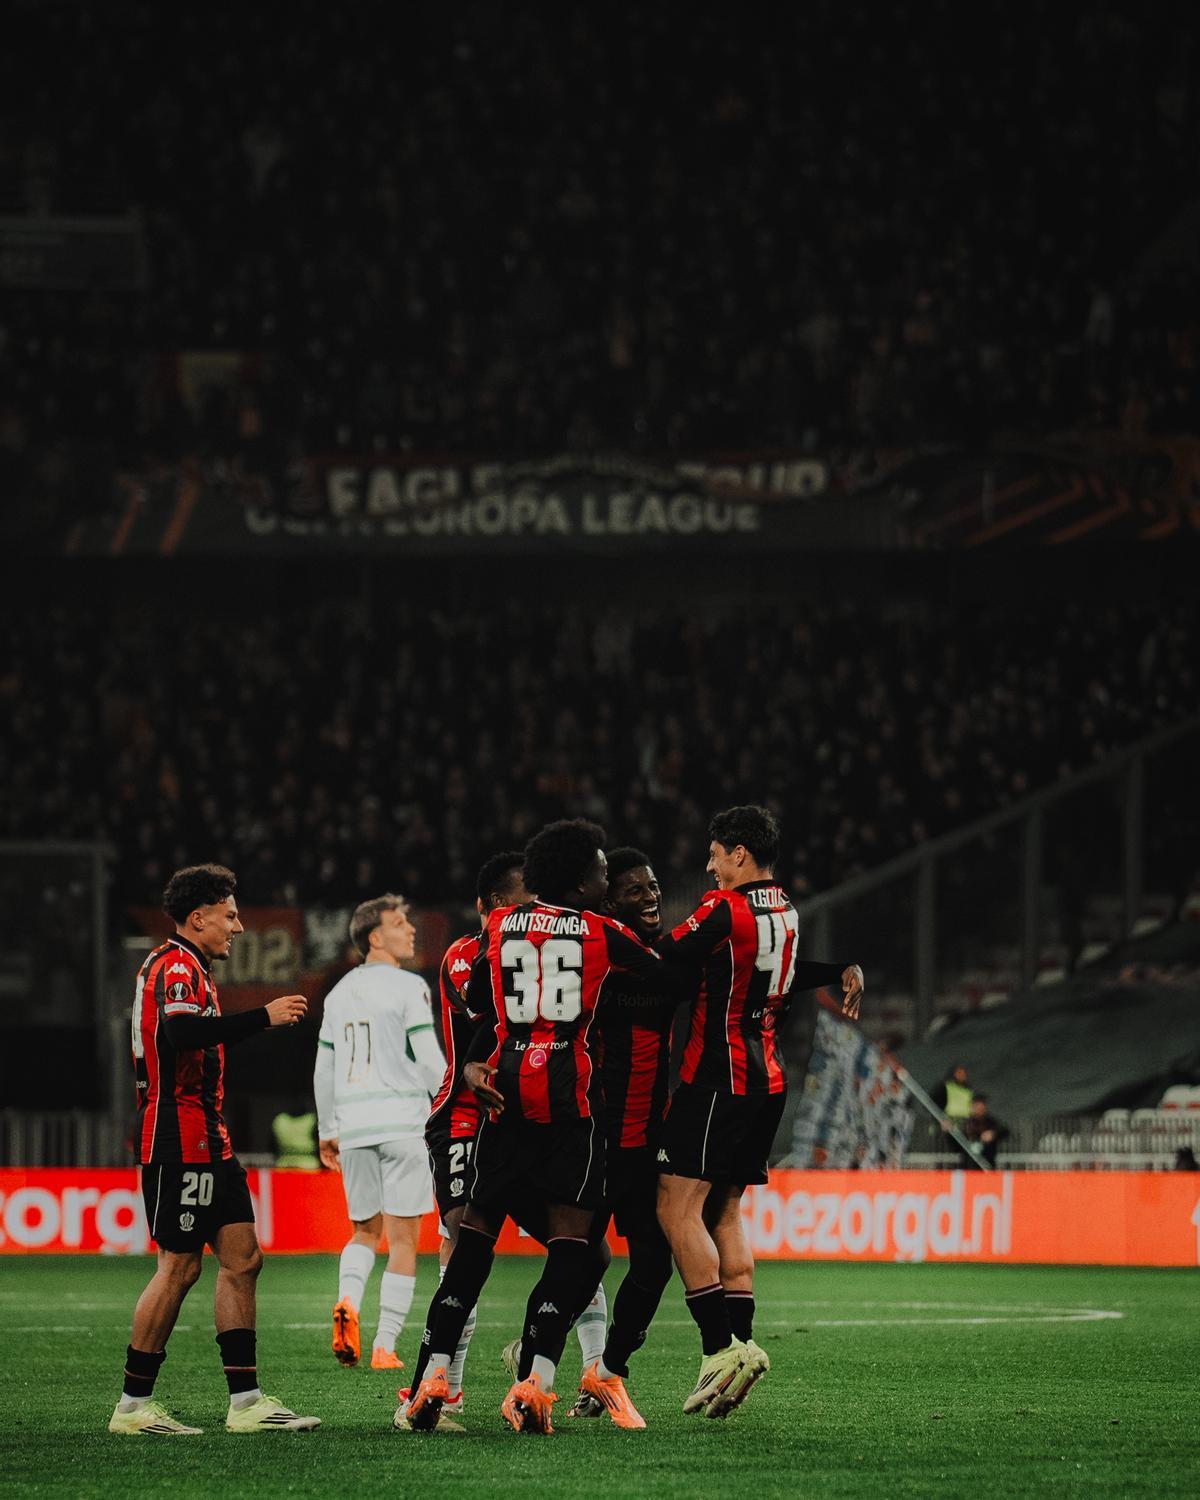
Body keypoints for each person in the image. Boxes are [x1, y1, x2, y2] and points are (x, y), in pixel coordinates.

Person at [402, 819, 667, 1436]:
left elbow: (485, 1006)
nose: (608, 879)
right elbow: (664, 973)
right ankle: (537, 1382)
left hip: (504, 1103)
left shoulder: (498, 927)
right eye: (602, 871)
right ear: (581, 881)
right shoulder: (602, 932)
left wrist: (471, 1059)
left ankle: (435, 1376)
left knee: (472, 1244)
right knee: (576, 1249)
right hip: (569, 1110)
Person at [655, 806, 864, 1419]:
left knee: (676, 1205)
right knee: (725, 1208)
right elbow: (790, 972)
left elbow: (666, 954)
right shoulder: (786, 910)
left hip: (715, 1078)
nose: (710, 864)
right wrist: (840, 969)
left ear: (740, 853)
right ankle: (742, 1347)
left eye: (716, 853)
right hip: (766, 1081)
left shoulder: (723, 909)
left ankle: (718, 1349)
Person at [110, 863, 319, 1435]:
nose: (239, 926)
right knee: (178, 1266)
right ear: (197, 918)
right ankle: (132, 1406)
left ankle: (246, 1402)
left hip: (208, 1136)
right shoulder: (176, 966)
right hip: (178, 1136)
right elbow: (179, 1034)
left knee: (243, 1259)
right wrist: (263, 1018)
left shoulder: (188, 966)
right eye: (229, 915)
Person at [408, 850, 530, 1431]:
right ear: (488, 907)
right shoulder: (464, 955)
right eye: (512, 904)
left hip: (522, 1121)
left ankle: (547, 1369)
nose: (524, 913)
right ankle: (434, 1394)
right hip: (461, 1116)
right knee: (463, 1243)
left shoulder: (544, 950)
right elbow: (487, 1007)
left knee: (578, 1239)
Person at [566, 846, 678, 1428]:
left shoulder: (668, 955)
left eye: (654, 885)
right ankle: (535, 1361)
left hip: (647, 1138)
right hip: (596, 1135)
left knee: (654, 1261)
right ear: (610, 902)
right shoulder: (594, 959)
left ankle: (607, 1371)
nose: (650, 896)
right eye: (635, 890)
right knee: (580, 1261)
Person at [315, 895, 445, 1371]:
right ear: (374, 937)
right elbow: (429, 1058)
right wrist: (452, 1102)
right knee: (405, 1240)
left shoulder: (337, 993)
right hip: (402, 1123)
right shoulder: (410, 986)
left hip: (353, 1126)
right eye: (398, 923)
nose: (409, 929)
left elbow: (323, 1066)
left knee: (364, 1231)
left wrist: (328, 1127)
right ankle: (384, 1346)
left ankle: (348, 1299)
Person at [961, 1093, 1008, 1168]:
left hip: (987, 1164)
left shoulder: (991, 1121)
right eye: (977, 1106)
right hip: (968, 1165)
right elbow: (955, 1142)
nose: (980, 1109)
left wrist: (993, 1134)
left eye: (982, 1106)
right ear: (972, 1106)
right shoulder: (965, 1123)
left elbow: (1005, 1131)